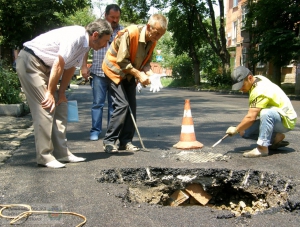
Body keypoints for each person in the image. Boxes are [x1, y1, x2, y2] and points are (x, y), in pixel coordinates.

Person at [16, 20, 113, 168]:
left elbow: (70, 67)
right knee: (46, 106)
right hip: (31, 62)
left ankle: (62, 152)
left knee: (61, 105)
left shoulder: (85, 46)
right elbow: (59, 63)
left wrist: (61, 93)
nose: (105, 45)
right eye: (105, 41)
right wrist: (49, 92)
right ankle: (45, 156)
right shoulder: (76, 36)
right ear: (95, 35)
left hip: (47, 67)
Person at [101, 14, 168, 153]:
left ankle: (125, 142)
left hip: (129, 73)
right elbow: (121, 61)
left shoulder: (152, 41)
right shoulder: (131, 33)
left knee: (132, 105)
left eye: (161, 35)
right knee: (122, 105)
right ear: (149, 27)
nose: (158, 38)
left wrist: (151, 75)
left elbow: (146, 62)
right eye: (156, 33)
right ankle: (109, 141)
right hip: (114, 70)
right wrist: (139, 74)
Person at [226, 66, 297, 158]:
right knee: (243, 131)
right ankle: (275, 138)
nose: (240, 89)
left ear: (250, 78)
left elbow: (251, 117)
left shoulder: (260, 90)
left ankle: (262, 149)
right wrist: (239, 129)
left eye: (242, 85)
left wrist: (236, 129)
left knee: (266, 113)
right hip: (276, 116)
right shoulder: (257, 79)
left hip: (285, 119)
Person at [81, 4, 123, 141]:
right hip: (98, 72)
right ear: (106, 15)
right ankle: (95, 130)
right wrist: (84, 67)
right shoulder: (97, 28)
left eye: (117, 17)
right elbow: (85, 48)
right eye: (112, 17)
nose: (115, 20)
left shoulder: (122, 31)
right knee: (98, 103)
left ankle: (110, 133)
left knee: (114, 105)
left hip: (115, 73)